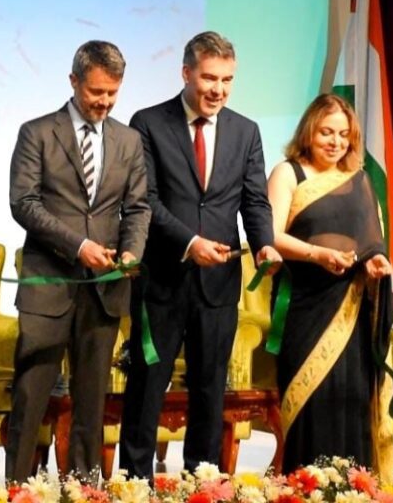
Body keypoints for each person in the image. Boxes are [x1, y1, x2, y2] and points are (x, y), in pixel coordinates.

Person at [118, 31, 280, 478]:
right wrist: (190, 243)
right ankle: (135, 482)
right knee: (147, 385)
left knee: (210, 389)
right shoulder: (148, 123)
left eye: (227, 80)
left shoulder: (246, 130)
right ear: (186, 72)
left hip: (218, 286)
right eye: (210, 78)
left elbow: (254, 201)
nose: (218, 90)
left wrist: (264, 242)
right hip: (163, 280)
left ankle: (202, 480)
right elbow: (145, 199)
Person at [5, 40, 150, 482]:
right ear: (74, 82)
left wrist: (130, 253)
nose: (104, 102)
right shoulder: (38, 132)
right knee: (31, 394)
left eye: (112, 93)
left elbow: (138, 208)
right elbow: (24, 203)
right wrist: (77, 246)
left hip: (105, 287)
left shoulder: (128, 140)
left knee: (93, 398)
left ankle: (85, 487)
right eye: (96, 92)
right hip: (48, 284)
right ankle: (17, 486)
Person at [265, 93, 393, 472]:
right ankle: (303, 489)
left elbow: (372, 244)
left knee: (349, 399)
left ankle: (353, 490)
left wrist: (376, 264)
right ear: (309, 130)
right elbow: (270, 236)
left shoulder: (359, 180)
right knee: (310, 403)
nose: (335, 142)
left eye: (344, 135)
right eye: (326, 132)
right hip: (304, 308)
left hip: (352, 312)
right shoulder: (288, 173)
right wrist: (318, 255)